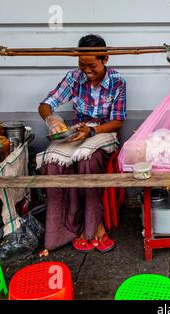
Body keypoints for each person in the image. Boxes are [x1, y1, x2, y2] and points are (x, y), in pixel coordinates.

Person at [37, 34, 126, 253]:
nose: (86, 70)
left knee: (88, 162)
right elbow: (46, 104)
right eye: (81, 64)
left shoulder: (117, 82)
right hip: (78, 131)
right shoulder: (73, 77)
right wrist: (52, 120)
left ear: (105, 59)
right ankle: (66, 228)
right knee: (52, 165)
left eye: (91, 65)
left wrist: (93, 131)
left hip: (103, 133)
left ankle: (95, 225)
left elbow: (117, 121)